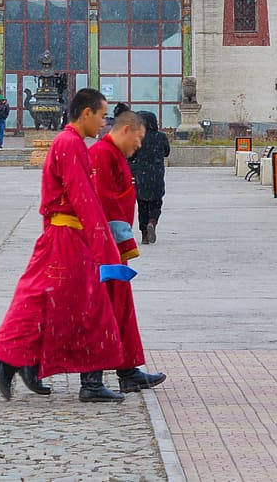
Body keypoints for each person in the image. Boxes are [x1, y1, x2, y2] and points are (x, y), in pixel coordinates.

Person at [0, 88, 126, 404]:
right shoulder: (69, 144)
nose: (105, 123)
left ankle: (19, 359)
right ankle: (85, 380)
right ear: (86, 113)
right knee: (91, 306)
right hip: (67, 238)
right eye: (102, 116)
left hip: (67, 235)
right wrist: (103, 244)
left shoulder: (71, 143)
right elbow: (83, 197)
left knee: (46, 299)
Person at [90, 110, 167, 393]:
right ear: (125, 130)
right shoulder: (102, 154)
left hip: (114, 245)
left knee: (121, 309)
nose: (139, 146)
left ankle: (128, 368)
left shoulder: (114, 155)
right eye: (138, 139)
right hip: (106, 246)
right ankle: (93, 379)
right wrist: (120, 243)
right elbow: (103, 202)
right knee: (105, 308)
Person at [129, 110, 170, 243]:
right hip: (156, 174)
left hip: (140, 175)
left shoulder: (137, 137)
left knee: (142, 205)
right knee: (156, 202)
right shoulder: (161, 136)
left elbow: (131, 155)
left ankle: (144, 235)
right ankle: (152, 222)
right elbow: (166, 152)